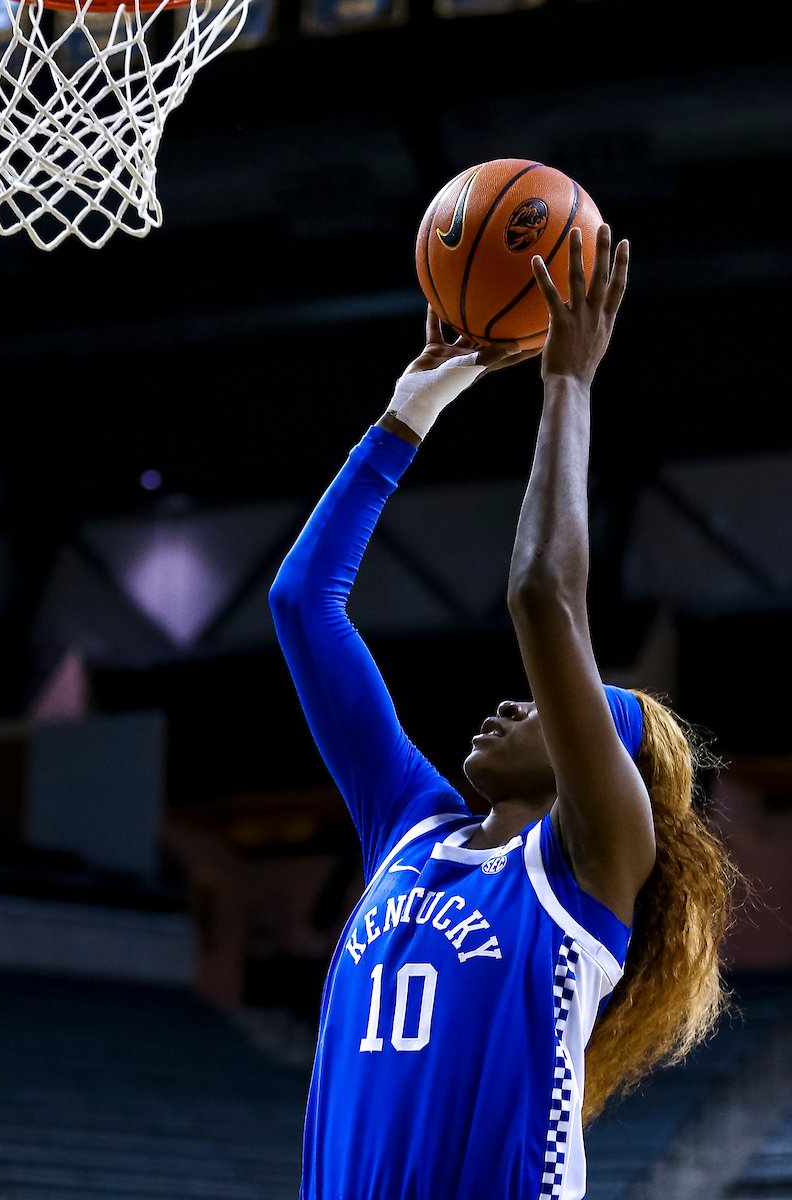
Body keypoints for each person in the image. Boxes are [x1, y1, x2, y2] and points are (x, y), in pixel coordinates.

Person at [269, 226, 736, 1200]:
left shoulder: (590, 869)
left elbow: (539, 599)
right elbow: (302, 604)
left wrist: (567, 384)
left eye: (553, 706)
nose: (514, 701)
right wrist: (404, 418)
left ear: (590, 766)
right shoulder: (407, 829)